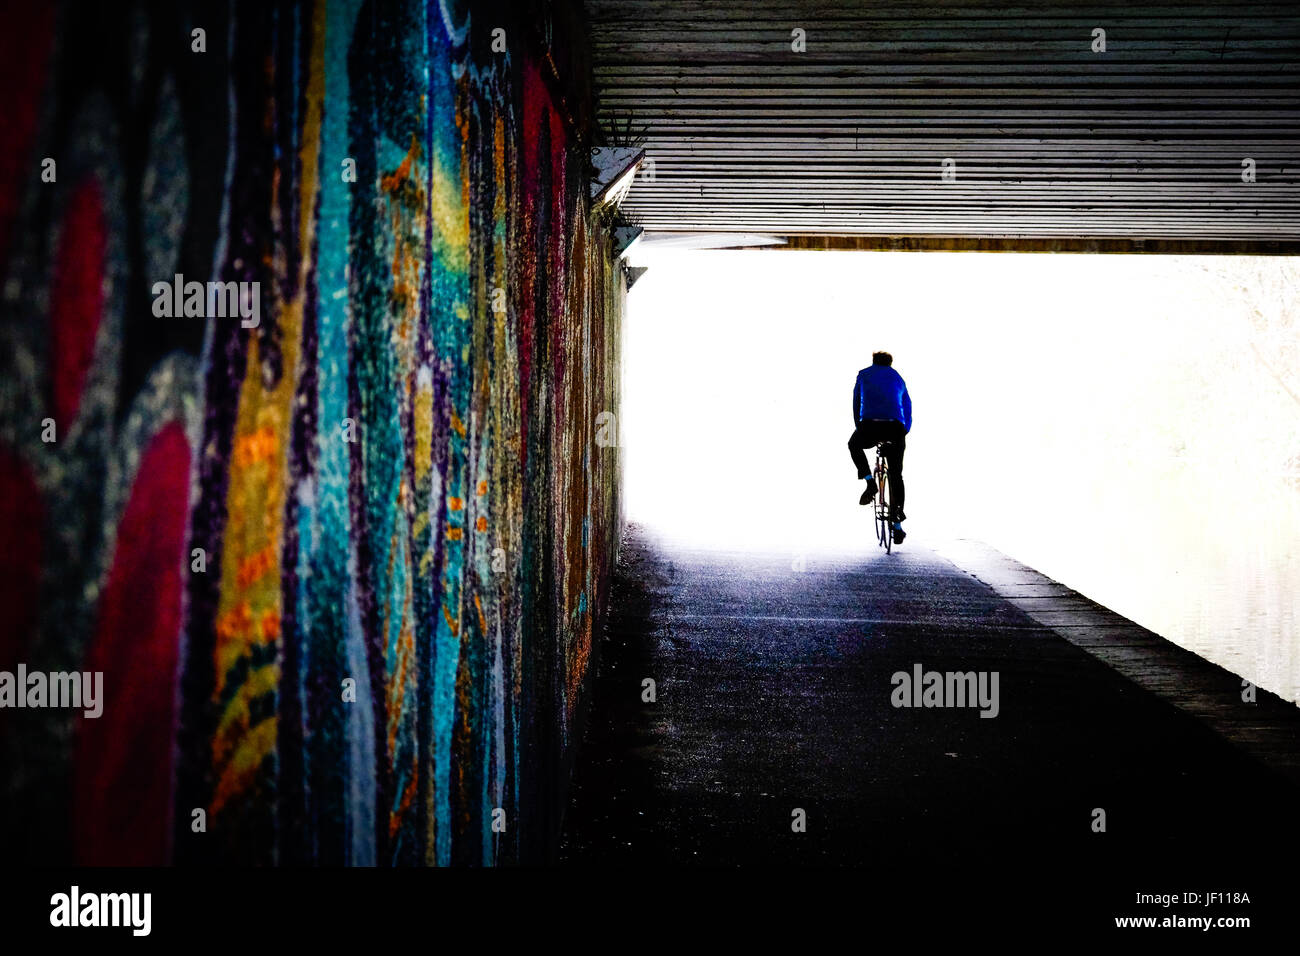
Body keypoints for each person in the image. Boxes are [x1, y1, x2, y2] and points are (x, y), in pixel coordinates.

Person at [848, 351, 912, 544]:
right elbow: (907, 407)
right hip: (895, 428)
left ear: (874, 361)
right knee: (896, 474)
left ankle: (870, 482)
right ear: (890, 363)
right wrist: (903, 432)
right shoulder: (898, 378)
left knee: (853, 445)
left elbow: (856, 402)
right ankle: (898, 524)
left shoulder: (864, 374)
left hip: (870, 425)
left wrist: (860, 427)